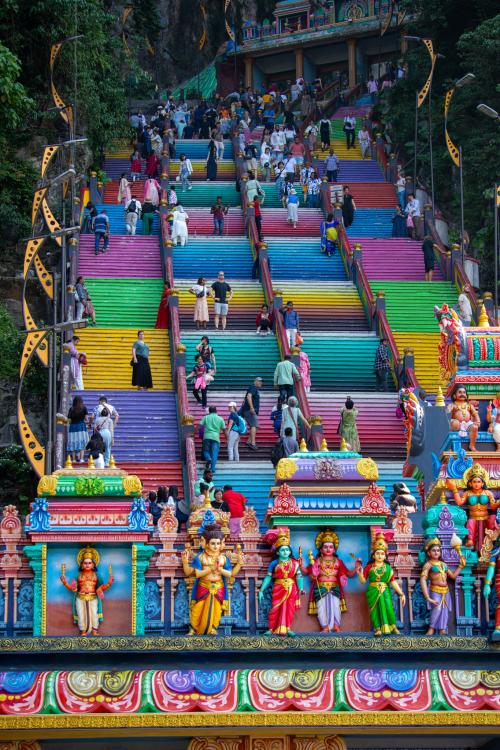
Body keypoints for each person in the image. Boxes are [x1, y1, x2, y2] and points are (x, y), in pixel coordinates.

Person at [181, 523, 243, 635]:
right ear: (206, 543)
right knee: (197, 608)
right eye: (213, 543)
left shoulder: (223, 558)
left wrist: (238, 564)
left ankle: (213, 628)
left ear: (221, 544)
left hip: (219, 586)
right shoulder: (200, 557)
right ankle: (193, 629)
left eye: (218, 543)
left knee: (217, 609)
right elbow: (195, 573)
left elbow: (230, 574)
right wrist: (186, 562)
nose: (215, 546)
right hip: (203, 586)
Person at [299, 529, 358, 633]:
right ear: (321, 549)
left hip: (334, 587)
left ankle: (336, 625)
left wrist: (357, 568)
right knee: (321, 608)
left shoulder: (338, 562)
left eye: (331, 547)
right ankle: (325, 626)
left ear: (334, 550)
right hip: (320, 587)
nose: (328, 549)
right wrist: (302, 566)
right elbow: (307, 573)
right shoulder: (317, 561)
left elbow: (348, 574)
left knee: (336, 607)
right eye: (325, 547)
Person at [356, 532, 406, 636]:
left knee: (389, 608)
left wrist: (401, 593)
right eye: (377, 553)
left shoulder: (387, 568)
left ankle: (393, 627)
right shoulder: (369, 567)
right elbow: (363, 581)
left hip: (385, 591)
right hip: (373, 590)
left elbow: (392, 582)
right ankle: (378, 628)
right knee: (375, 610)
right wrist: (360, 574)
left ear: (385, 556)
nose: (380, 556)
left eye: (382, 554)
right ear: (373, 555)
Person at [259, 527, 303, 637]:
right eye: (282, 550)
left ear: (290, 551)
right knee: (275, 607)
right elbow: (269, 577)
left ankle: (287, 628)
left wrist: (301, 588)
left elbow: (299, 576)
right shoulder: (274, 563)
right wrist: (261, 590)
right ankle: (271, 629)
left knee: (289, 609)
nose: (285, 552)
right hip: (278, 587)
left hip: (291, 588)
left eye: (287, 550)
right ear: (278, 552)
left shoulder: (295, 563)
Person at [420, 537, 465, 636]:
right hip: (434, 590)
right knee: (437, 608)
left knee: (444, 610)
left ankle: (442, 629)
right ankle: (431, 628)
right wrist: (427, 597)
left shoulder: (443, 564)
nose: (436, 552)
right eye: (433, 550)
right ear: (429, 553)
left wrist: (460, 567)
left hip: (445, 590)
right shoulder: (428, 565)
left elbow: (453, 576)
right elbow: (423, 579)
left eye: (438, 550)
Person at [447, 384, 480, 452]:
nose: (462, 394)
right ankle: (453, 444)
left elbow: (475, 414)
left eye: (464, 392)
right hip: (457, 424)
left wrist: (478, 421)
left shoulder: (469, 405)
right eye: (460, 392)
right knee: (455, 423)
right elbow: (446, 413)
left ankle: (472, 445)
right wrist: (448, 409)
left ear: (466, 395)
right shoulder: (453, 405)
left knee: (475, 427)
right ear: (454, 395)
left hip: (467, 424)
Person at [199, 405, 226, 474]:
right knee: (214, 453)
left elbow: (200, 425)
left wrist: (193, 433)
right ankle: (213, 469)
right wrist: (227, 437)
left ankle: (208, 458)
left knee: (205, 451)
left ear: (209, 411)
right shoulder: (220, 418)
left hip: (207, 436)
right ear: (216, 411)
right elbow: (224, 429)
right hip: (216, 437)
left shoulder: (206, 417)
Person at [240, 376, 263, 450]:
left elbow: (246, 398)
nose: (260, 383)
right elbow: (249, 396)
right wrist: (252, 407)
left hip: (249, 410)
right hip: (249, 410)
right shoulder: (253, 387)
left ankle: (249, 441)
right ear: (255, 381)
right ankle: (252, 443)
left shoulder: (254, 389)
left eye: (261, 381)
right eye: (258, 381)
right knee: (254, 425)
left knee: (256, 426)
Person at [67, 395, 88, 463]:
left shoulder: (71, 409)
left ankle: (73, 459)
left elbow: (69, 420)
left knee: (73, 442)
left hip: (73, 427)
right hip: (81, 426)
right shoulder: (84, 408)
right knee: (82, 442)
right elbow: (86, 419)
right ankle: (81, 459)